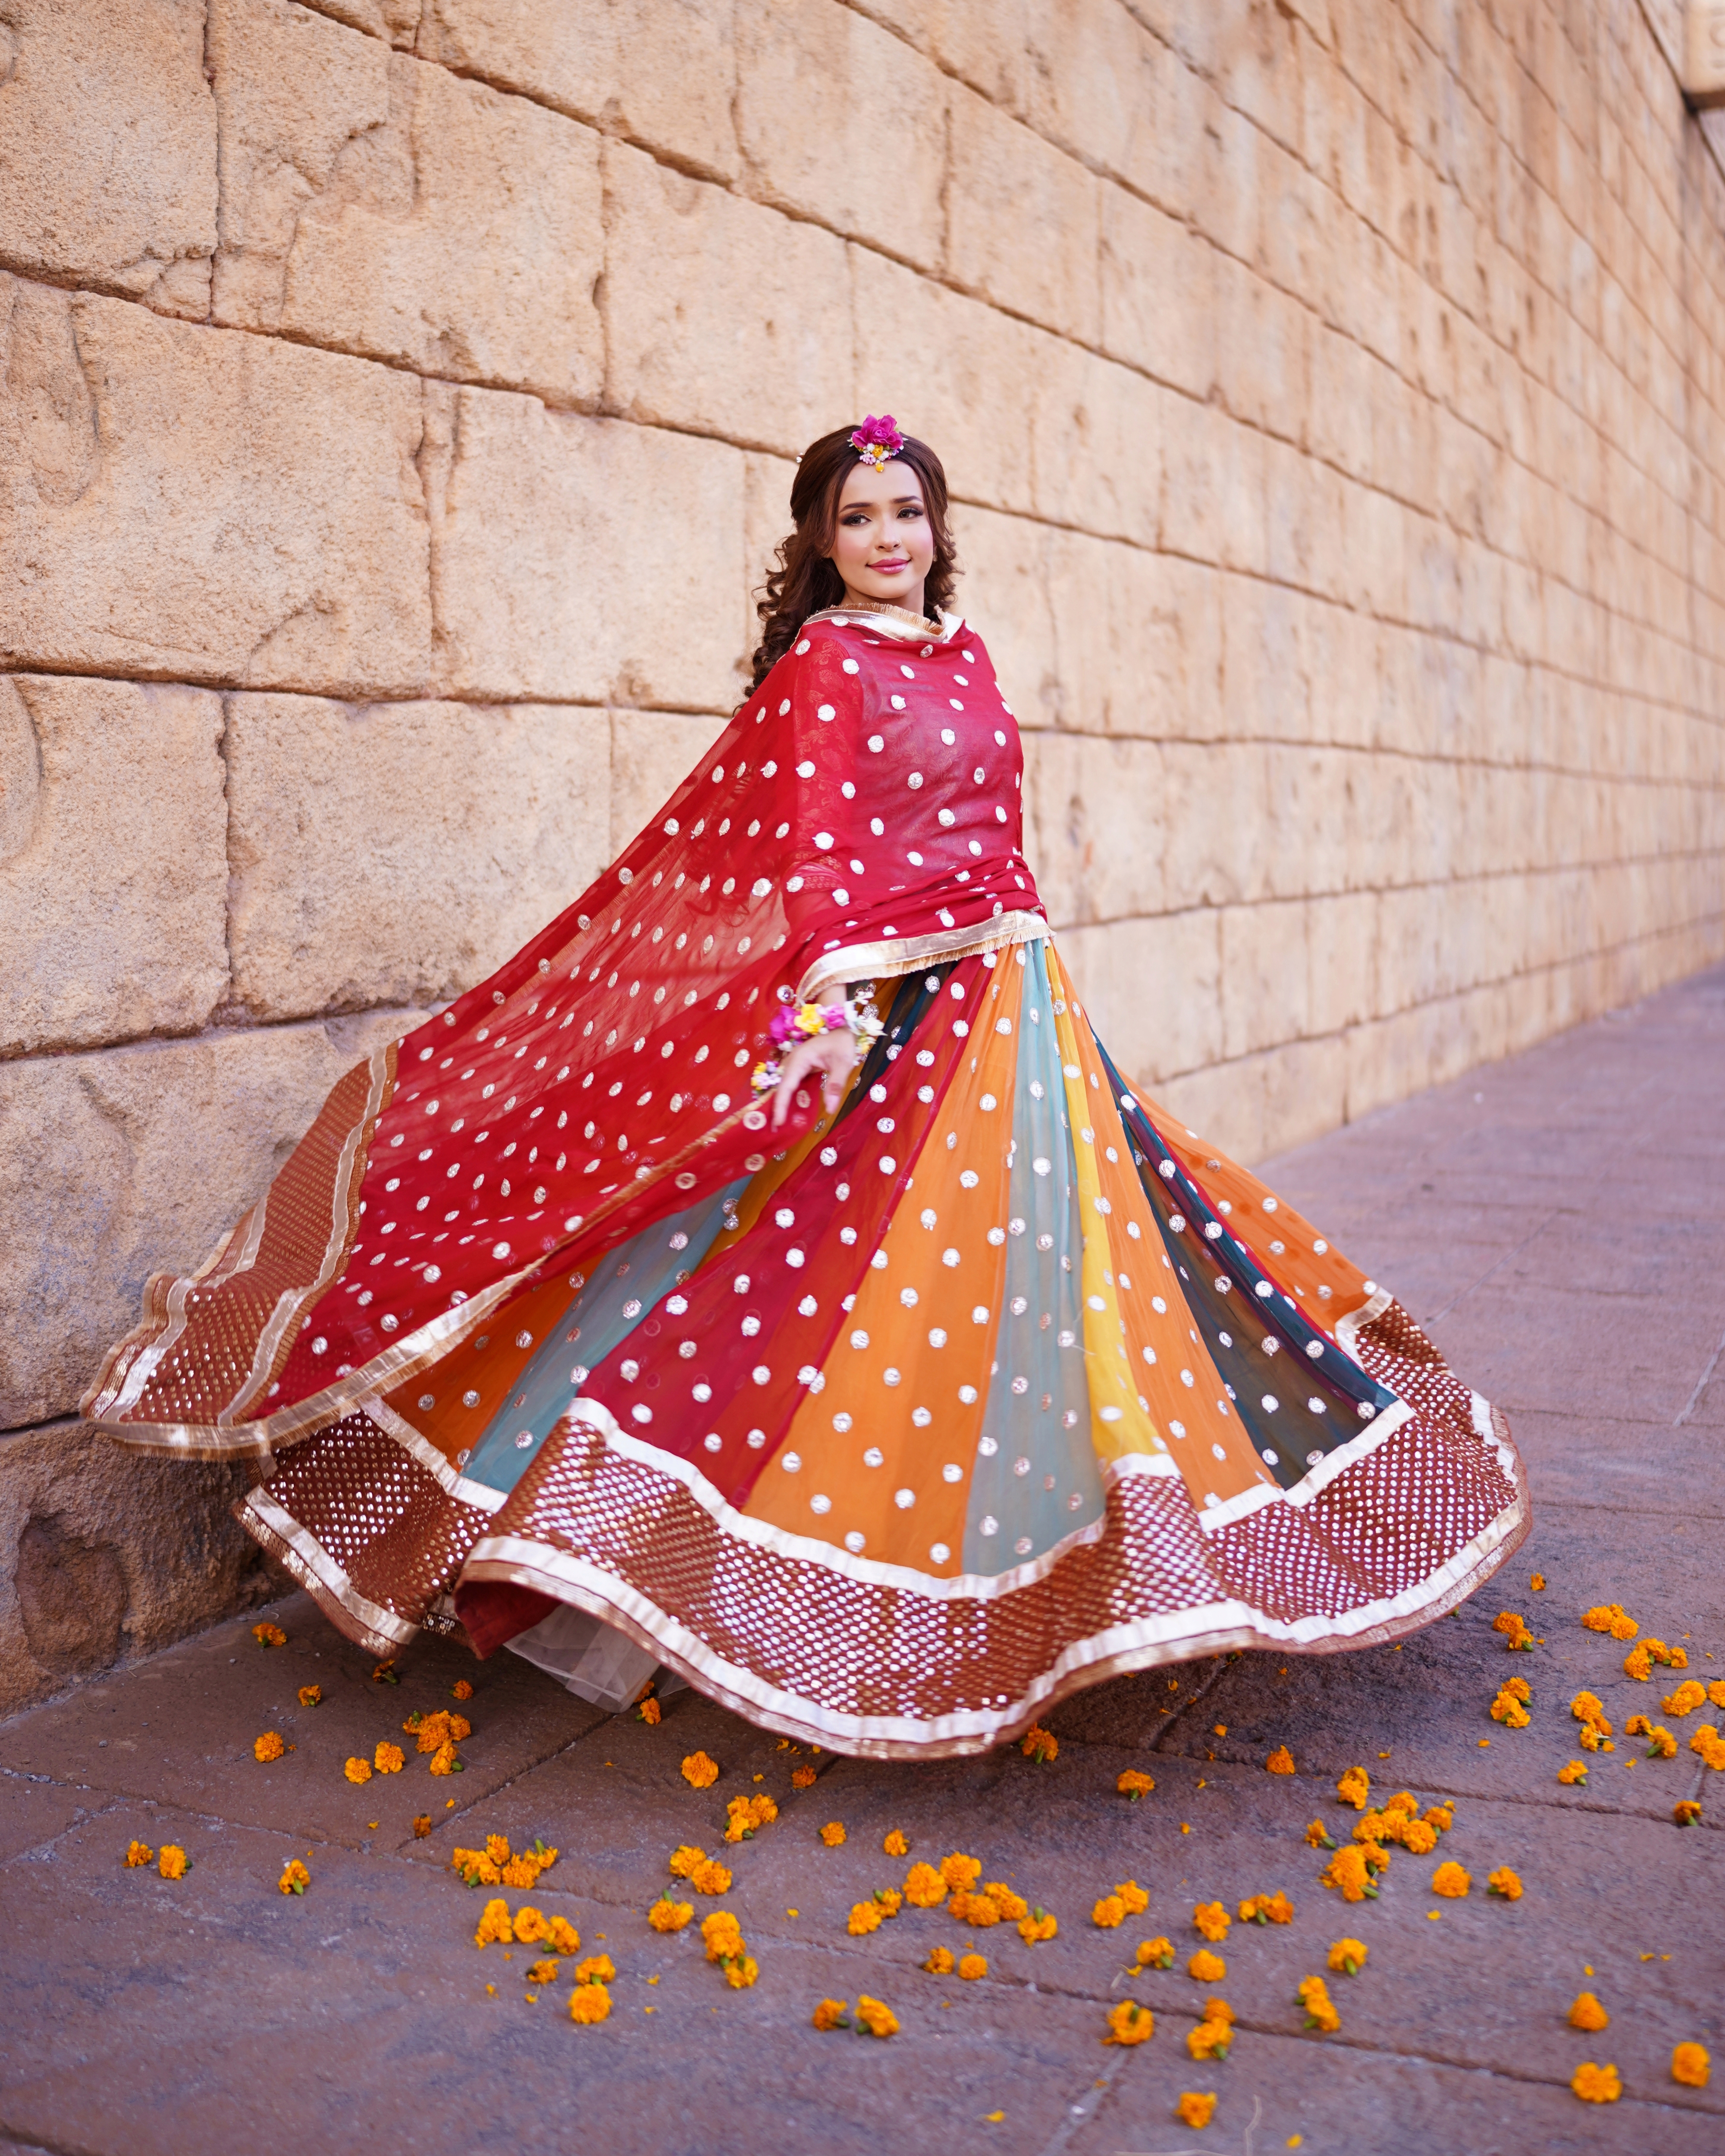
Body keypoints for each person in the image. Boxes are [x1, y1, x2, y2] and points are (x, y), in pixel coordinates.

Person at [84, 418, 1526, 1753]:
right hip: (889, 1016)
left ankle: (1106, 1564)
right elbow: (816, 853)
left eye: (907, 511)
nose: (889, 536)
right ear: (821, 541)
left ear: (938, 523)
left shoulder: (967, 652)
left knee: (1059, 1274)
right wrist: (831, 1015)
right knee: (803, 1285)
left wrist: (1026, 965)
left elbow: (1000, 830)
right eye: (859, 518)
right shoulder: (827, 666)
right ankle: (742, 1569)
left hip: (1016, 1001)